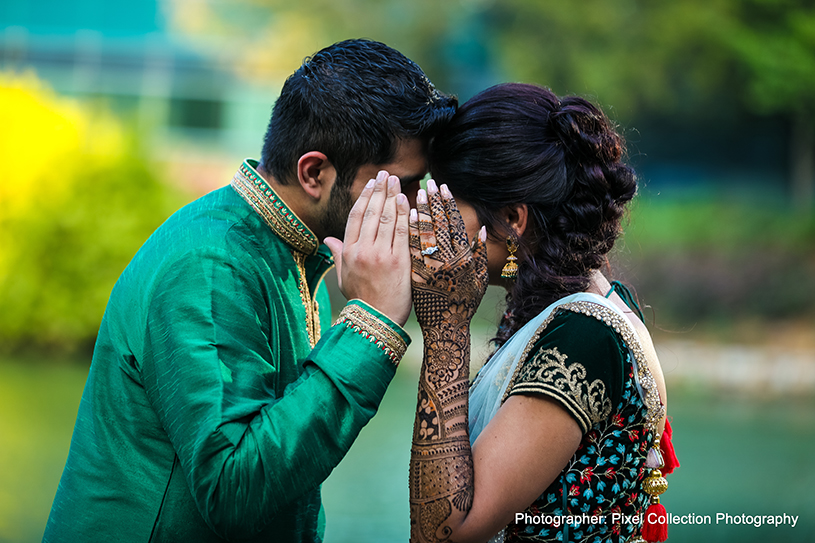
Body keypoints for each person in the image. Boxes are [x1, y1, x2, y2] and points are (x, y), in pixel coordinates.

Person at [43, 39, 456, 542]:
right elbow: (233, 487)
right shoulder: (211, 265)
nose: (416, 208)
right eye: (402, 186)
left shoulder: (292, 253)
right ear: (314, 173)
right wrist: (371, 323)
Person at [406, 83, 678, 543]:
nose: (434, 225)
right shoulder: (599, 304)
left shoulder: (583, 337)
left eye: (449, 209)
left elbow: (445, 534)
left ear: (513, 218)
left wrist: (446, 324)